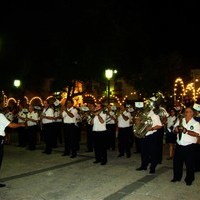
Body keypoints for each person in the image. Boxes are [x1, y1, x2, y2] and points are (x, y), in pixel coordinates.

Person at [171, 107, 200, 186]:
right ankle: (176, 177)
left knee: (189, 164)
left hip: (189, 146)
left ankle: (189, 179)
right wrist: (176, 129)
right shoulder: (180, 120)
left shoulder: (195, 123)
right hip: (179, 145)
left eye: (189, 111)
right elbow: (174, 129)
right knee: (177, 163)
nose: (187, 113)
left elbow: (197, 134)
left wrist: (186, 131)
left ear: (192, 113)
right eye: (186, 111)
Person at [0, 98, 25, 188]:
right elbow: (11, 125)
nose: (4, 105)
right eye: (2, 103)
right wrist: (20, 125)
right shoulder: (0, 116)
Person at [136, 108, 162, 174]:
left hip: (152, 135)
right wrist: (137, 121)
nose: (146, 106)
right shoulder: (142, 114)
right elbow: (138, 123)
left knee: (153, 152)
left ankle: (152, 167)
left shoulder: (154, 115)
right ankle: (144, 166)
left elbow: (159, 125)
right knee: (143, 152)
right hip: (143, 135)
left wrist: (152, 128)